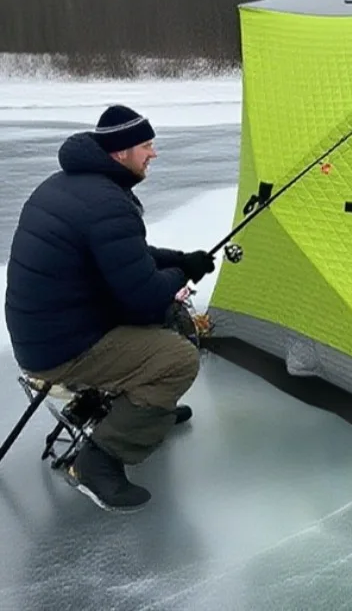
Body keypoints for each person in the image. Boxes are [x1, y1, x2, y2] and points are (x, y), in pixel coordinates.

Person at [4, 104, 216, 511]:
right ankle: (97, 462)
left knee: (166, 319)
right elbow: (145, 298)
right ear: (120, 153)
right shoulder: (107, 203)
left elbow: (124, 256)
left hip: (46, 334)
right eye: (146, 145)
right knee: (177, 358)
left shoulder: (68, 184)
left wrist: (177, 259)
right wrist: (183, 274)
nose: (153, 153)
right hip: (63, 350)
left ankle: (147, 413)